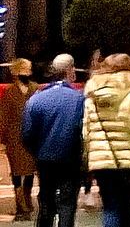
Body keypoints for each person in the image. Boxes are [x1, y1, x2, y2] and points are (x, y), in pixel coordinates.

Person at [83, 54, 130, 227]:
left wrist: (88, 156)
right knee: (127, 209)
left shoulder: (92, 94)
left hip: (102, 160)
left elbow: (86, 129)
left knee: (110, 207)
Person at [21, 54, 84, 227]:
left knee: (46, 202)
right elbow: (84, 130)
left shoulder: (36, 99)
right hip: (71, 159)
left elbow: (26, 133)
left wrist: (38, 151)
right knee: (67, 204)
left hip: (45, 159)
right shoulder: (79, 99)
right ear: (69, 70)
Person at [1, 59, 38, 220]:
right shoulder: (9, 92)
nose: (26, 72)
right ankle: (20, 206)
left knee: (29, 172)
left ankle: (27, 203)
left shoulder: (36, 89)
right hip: (14, 139)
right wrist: (2, 140)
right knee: (16, 173)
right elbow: (3, 118)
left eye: (28, 69)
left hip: (33, 138)